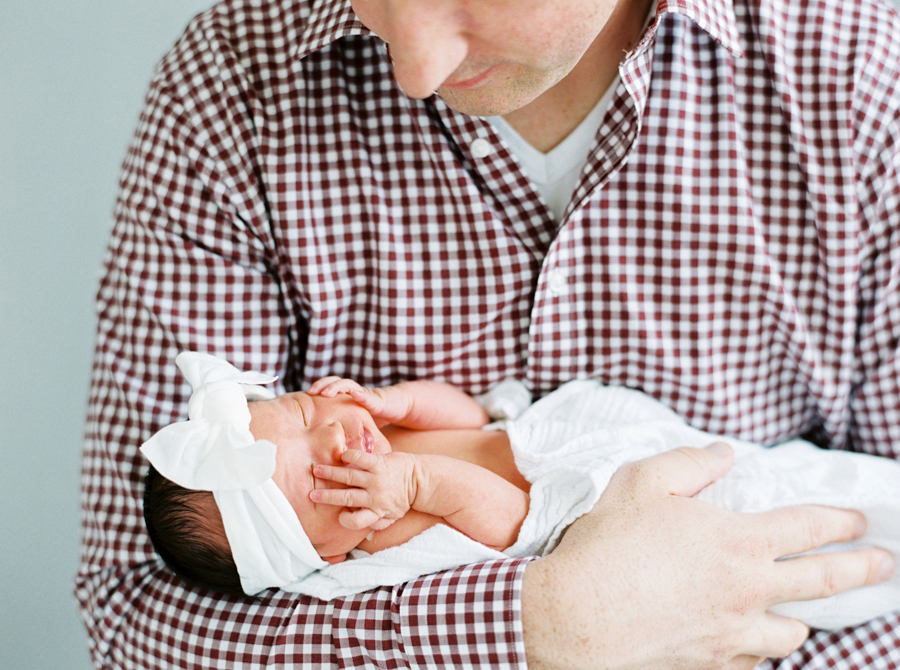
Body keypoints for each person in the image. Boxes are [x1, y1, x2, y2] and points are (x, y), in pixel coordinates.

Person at [75, 0, 900, 666]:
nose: (414, 71)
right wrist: (541, 625)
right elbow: (133, 616)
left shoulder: (860, 69)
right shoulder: (233, 85)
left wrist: (722, 631)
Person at [140, 352, 900, 631]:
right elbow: (509, 523)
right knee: (840, 545)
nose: (336, 438)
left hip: (620, 443)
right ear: (325, 551)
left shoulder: (383, 444)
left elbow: (475, 418)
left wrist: (404, 404)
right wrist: (421, 480)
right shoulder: (385, 532)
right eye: (314, 476)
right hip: (675, 533)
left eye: (304, 412)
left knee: (818, 477)